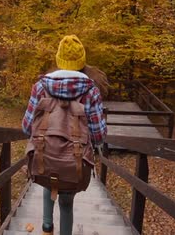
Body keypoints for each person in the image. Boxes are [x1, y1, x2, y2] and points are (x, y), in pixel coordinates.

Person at [22, 35, 108, 235]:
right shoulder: (91, 92)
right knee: (66, 201)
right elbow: (98, 136)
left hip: (44, 155)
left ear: (58, 59)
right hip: (73, 162)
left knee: (47, 174)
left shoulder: (40, 87)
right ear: (82, 62)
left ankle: (46, 227)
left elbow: (27, 127)